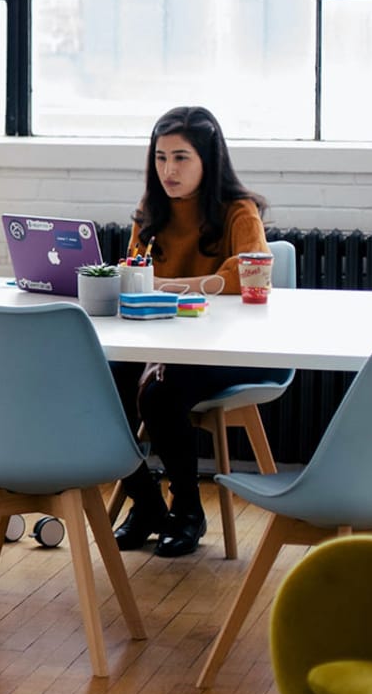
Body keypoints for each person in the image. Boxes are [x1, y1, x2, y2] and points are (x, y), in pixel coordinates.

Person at [109, 105, 281, 558]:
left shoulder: (238, 212)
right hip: (158, 342)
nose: (169, 169)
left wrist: (168, 286)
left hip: (226, 349)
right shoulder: (150, 212)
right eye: (161, 158)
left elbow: (249, 273)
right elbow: (134, 272)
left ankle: (187, 508)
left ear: (209, 160)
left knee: (158, 394)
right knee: (100, 386)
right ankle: (145, 502)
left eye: (181, 158)